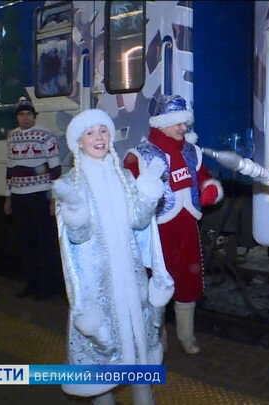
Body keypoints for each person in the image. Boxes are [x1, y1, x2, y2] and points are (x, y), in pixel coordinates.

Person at [52, 109, 174, 405]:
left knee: (139, 346)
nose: (98, 138)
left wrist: (146, 192)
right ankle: (101, 399)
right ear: (78, 142)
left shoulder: (125, 177)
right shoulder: (70, 185)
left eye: (103, 131)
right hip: (97, 286)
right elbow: (73, 244)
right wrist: (77, 218)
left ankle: (144, 399)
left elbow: (139, 221)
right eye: (90, 133)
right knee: (103, 354)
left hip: (132, 282)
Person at [124, 94, 223, 355]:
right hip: (156, 233)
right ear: (162, 123)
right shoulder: (140, 155)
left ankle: (186, 335)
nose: (184, 128)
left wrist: (209, 187)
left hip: (188, 228)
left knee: (187, 280)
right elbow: (128, 195)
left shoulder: (192, 151)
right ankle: (157, 335)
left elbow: (204, 177)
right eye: (178, 123)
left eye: (185, 123)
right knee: (156, 282)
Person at [4, 96, 62, 300]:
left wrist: (54, 198)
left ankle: (50, 285)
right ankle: (32, 284)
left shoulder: (45, 136)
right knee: (26, 242)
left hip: (40, 196)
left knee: (44, 242)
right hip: (19, 197)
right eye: (21, 114)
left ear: (34, 116)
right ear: (17, 117)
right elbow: (10, 168)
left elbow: (55, 168)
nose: (25, 117)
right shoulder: (12, 136)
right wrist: (9, 197)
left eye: (29, 114)